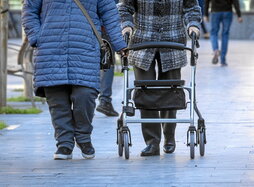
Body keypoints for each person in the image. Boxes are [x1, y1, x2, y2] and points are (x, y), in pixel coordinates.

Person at [22, 0, 127, 160]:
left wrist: (119, 45)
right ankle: (64, 144)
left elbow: (109, 14)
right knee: (58, 102)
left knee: (85, 96)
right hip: (50, 49)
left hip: (85, 49)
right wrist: (37, 36)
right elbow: (29, 10)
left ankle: (84, 137)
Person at [118, 0, 201, 156]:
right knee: (145, 91)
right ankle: (152, 142)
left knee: (170, 91)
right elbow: (125, 7)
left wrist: (193, 24)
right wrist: (127, 25)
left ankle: (169, 137)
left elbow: (192, 8)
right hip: (142, 41)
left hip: (173, 41)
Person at [96, 0, 120, 117]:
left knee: (95, 60)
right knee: (107, 60)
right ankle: (104, 100)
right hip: (103, 24)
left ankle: (86, 100)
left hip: (90, 23)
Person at [204, 0, 243, 66]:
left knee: (214, 33)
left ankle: (215, 50)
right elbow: (235, 1)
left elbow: (207, 1)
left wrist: (206, 14)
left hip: (215, 12)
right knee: (225, 34)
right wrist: (239, 15)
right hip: (227, 12)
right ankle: (223, 60)